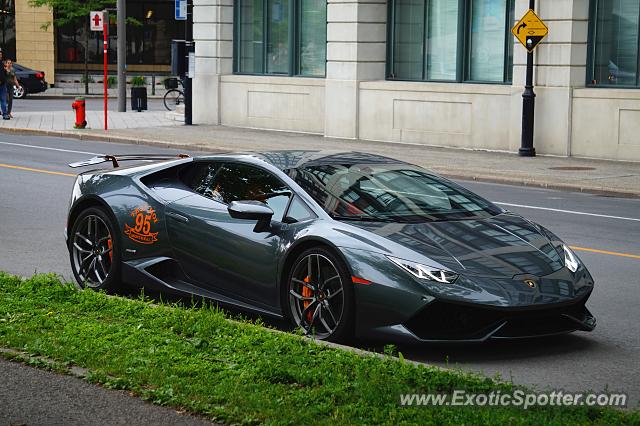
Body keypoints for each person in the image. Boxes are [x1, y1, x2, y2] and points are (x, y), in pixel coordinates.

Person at [0, 50, 8, 120]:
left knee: (3, 99)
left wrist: (6, 70)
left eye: (1, 55)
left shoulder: (2, 64)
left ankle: (5, 114)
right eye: (0, 55)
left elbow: (5, 74)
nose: (1, 56)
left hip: (2, 84)